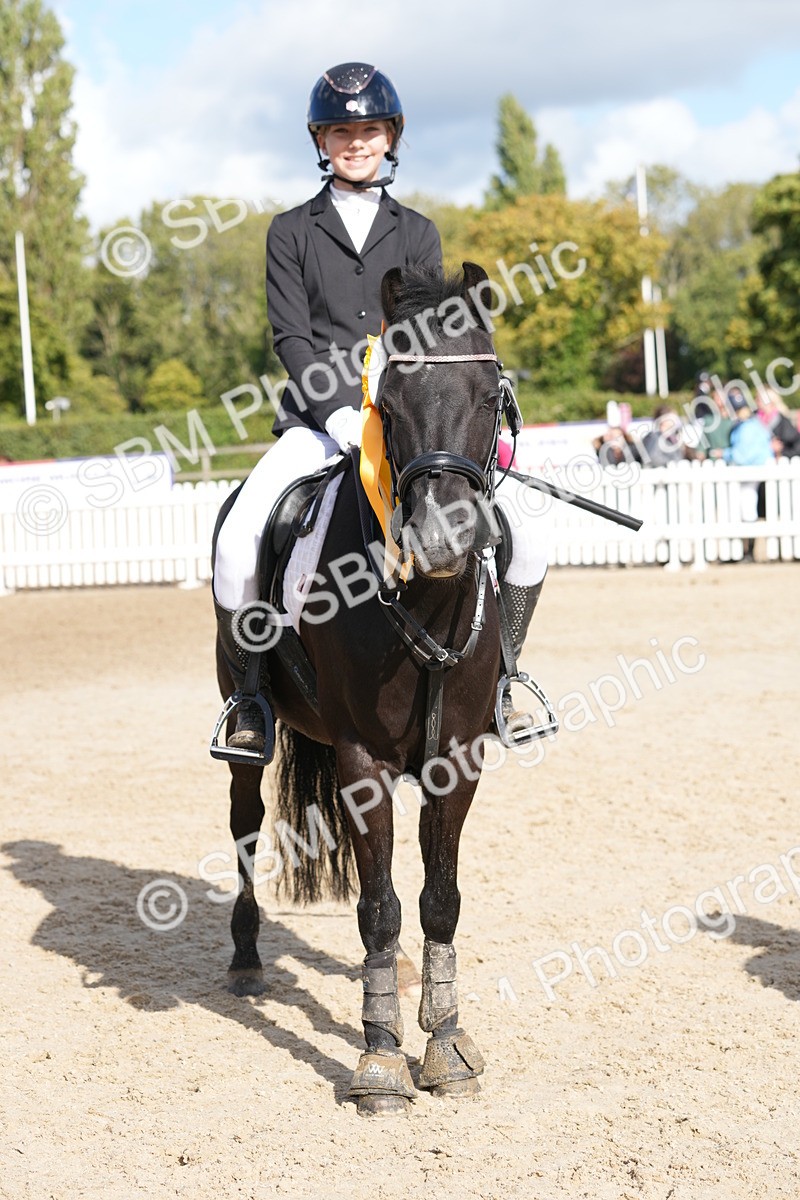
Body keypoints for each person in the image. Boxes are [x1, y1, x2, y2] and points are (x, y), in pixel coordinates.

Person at [213, 62, 548, 754]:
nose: (356, 142)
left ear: (390, 136)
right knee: (240, 534)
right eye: (342, 130)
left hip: (408, 426)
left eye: (368, 129)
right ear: (321, 140)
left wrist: (406, 416)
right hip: (317, 423)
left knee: (531, 536)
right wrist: (336, 413)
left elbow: (428, 337)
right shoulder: (290, 232)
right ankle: (250, 697)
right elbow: (291, 337)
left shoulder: (418, 230)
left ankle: (506, 679)